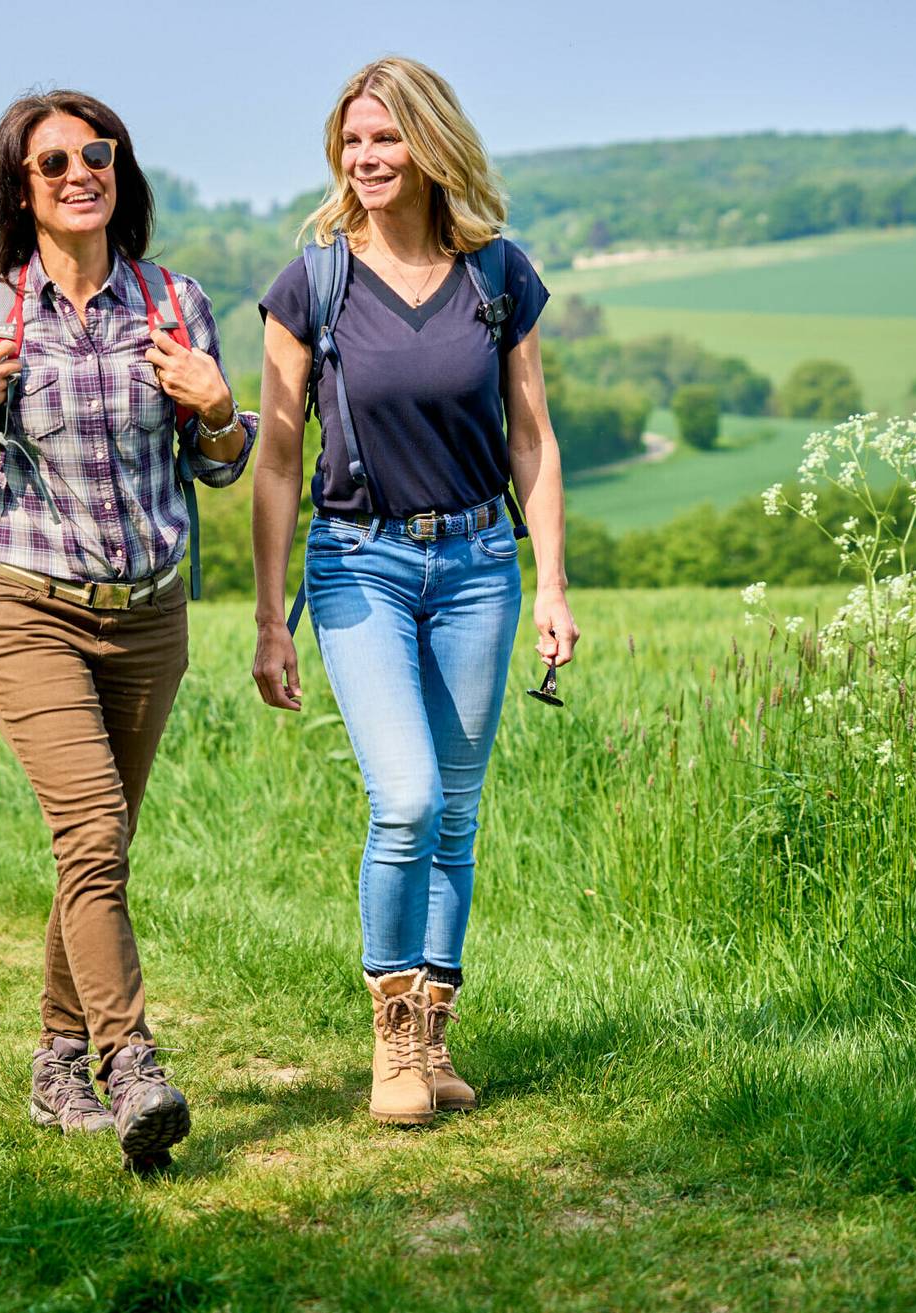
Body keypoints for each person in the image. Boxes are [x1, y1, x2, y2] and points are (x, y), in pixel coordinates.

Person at [0, 91, 255, 1167]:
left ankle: (55, 1060)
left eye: (95, 154)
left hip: (150, 618)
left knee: (96, 849)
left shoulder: (176, 305)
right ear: (22, 186)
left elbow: (220, 462)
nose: (78, 172)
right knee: (92, 830)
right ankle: (131, 1059)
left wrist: (221, 404)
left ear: (119, 171)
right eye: (53, 162)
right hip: (31, 612)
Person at [250, 57, 580, 1127]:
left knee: (458, 814)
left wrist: (551, 585)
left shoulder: (497, 276)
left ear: (429, 145)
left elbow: (531, 436)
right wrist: (267, 616)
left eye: (385, 140)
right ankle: (391, 1032)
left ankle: (434, 1035)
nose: (366, 158)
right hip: (360, 565)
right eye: (352, 142)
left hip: (482, 562)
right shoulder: (315, 283)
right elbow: (276, 458)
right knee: (407, 798)